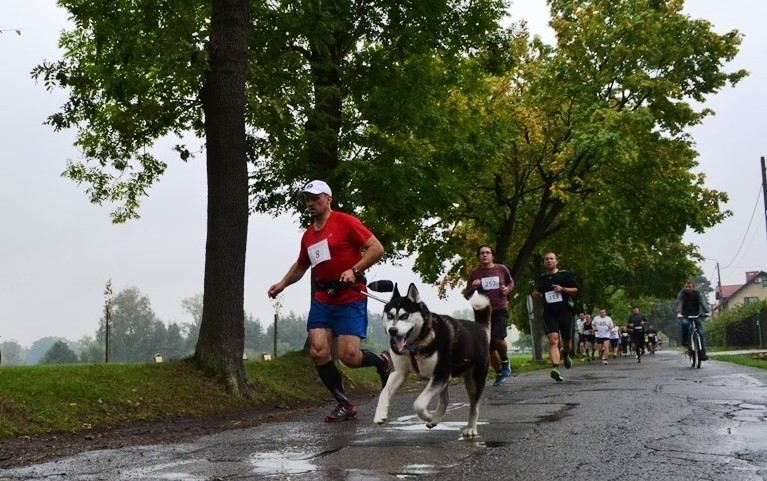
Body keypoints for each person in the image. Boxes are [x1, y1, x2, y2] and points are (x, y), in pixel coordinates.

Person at [268, 180, 389, 422]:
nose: (311, 203)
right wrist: (282, 284)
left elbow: (376, 248)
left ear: (328, 199)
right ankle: (344, 403)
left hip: (350, 297)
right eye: (307, 199)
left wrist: (354, 269)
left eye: (315, 198)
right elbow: (302, 265)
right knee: (318, 350)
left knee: (349, 357)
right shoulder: (309, 235)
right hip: (323, 299)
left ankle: (383, 362)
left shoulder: (345, 222)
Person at [463, 245, 515, 386]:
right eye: (482, 253)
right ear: (479, 257)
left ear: (492, 256)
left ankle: (505, 362)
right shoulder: (475, 273)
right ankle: (499, 373)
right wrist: (473, 287)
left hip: (500, 309)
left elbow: (511, 282)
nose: (485, 255)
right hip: (483, 313)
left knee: (498, 337)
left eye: (487, 253)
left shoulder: (501, 269)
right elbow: (467, 295)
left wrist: (507, 290)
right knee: (489, 346)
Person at [532, 252, 579, 382]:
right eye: (546, 259)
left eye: (551, 259)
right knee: (553, 340)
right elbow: (544, 293)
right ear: (544, 262)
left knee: (567, 343)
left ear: (556, 261)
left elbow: (576, 290)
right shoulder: (542, 279)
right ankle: (556, 368)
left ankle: (565, 352)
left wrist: (562, 289)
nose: (549, 261)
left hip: (565, 313)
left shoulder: (565, 275)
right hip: (549, 313)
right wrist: (537, 294)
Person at [676, 280, 711, 360]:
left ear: (693, 288)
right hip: (685, 315)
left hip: (696, 315)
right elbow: (680, 303)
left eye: (690, 287)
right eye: (686, 287)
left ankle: (702, 354)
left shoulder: (697, 293)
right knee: (685, 324)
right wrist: (679, 313)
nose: (688, 288)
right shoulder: (681, 294)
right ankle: (685, 341)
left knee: (700, 333)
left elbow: (702, 302)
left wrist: (707, 312)